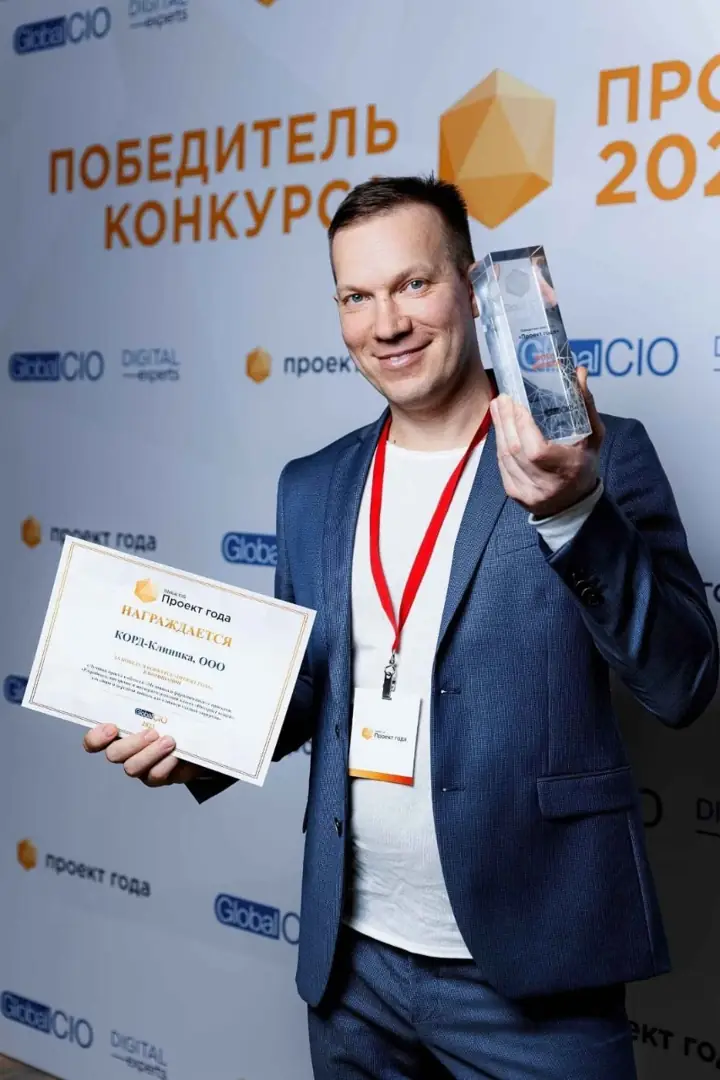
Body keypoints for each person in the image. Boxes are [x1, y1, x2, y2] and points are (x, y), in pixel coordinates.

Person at [83, 175, 719, 1079]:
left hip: (536, 966)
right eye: (356, 296)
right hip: (354, 967)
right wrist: (201, 747)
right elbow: (312, 688)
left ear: (470, 286)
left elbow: (684, 682)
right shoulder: (312, 486)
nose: (386, 325)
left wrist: (574, 512)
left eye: (413, 284)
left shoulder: (592, 454)